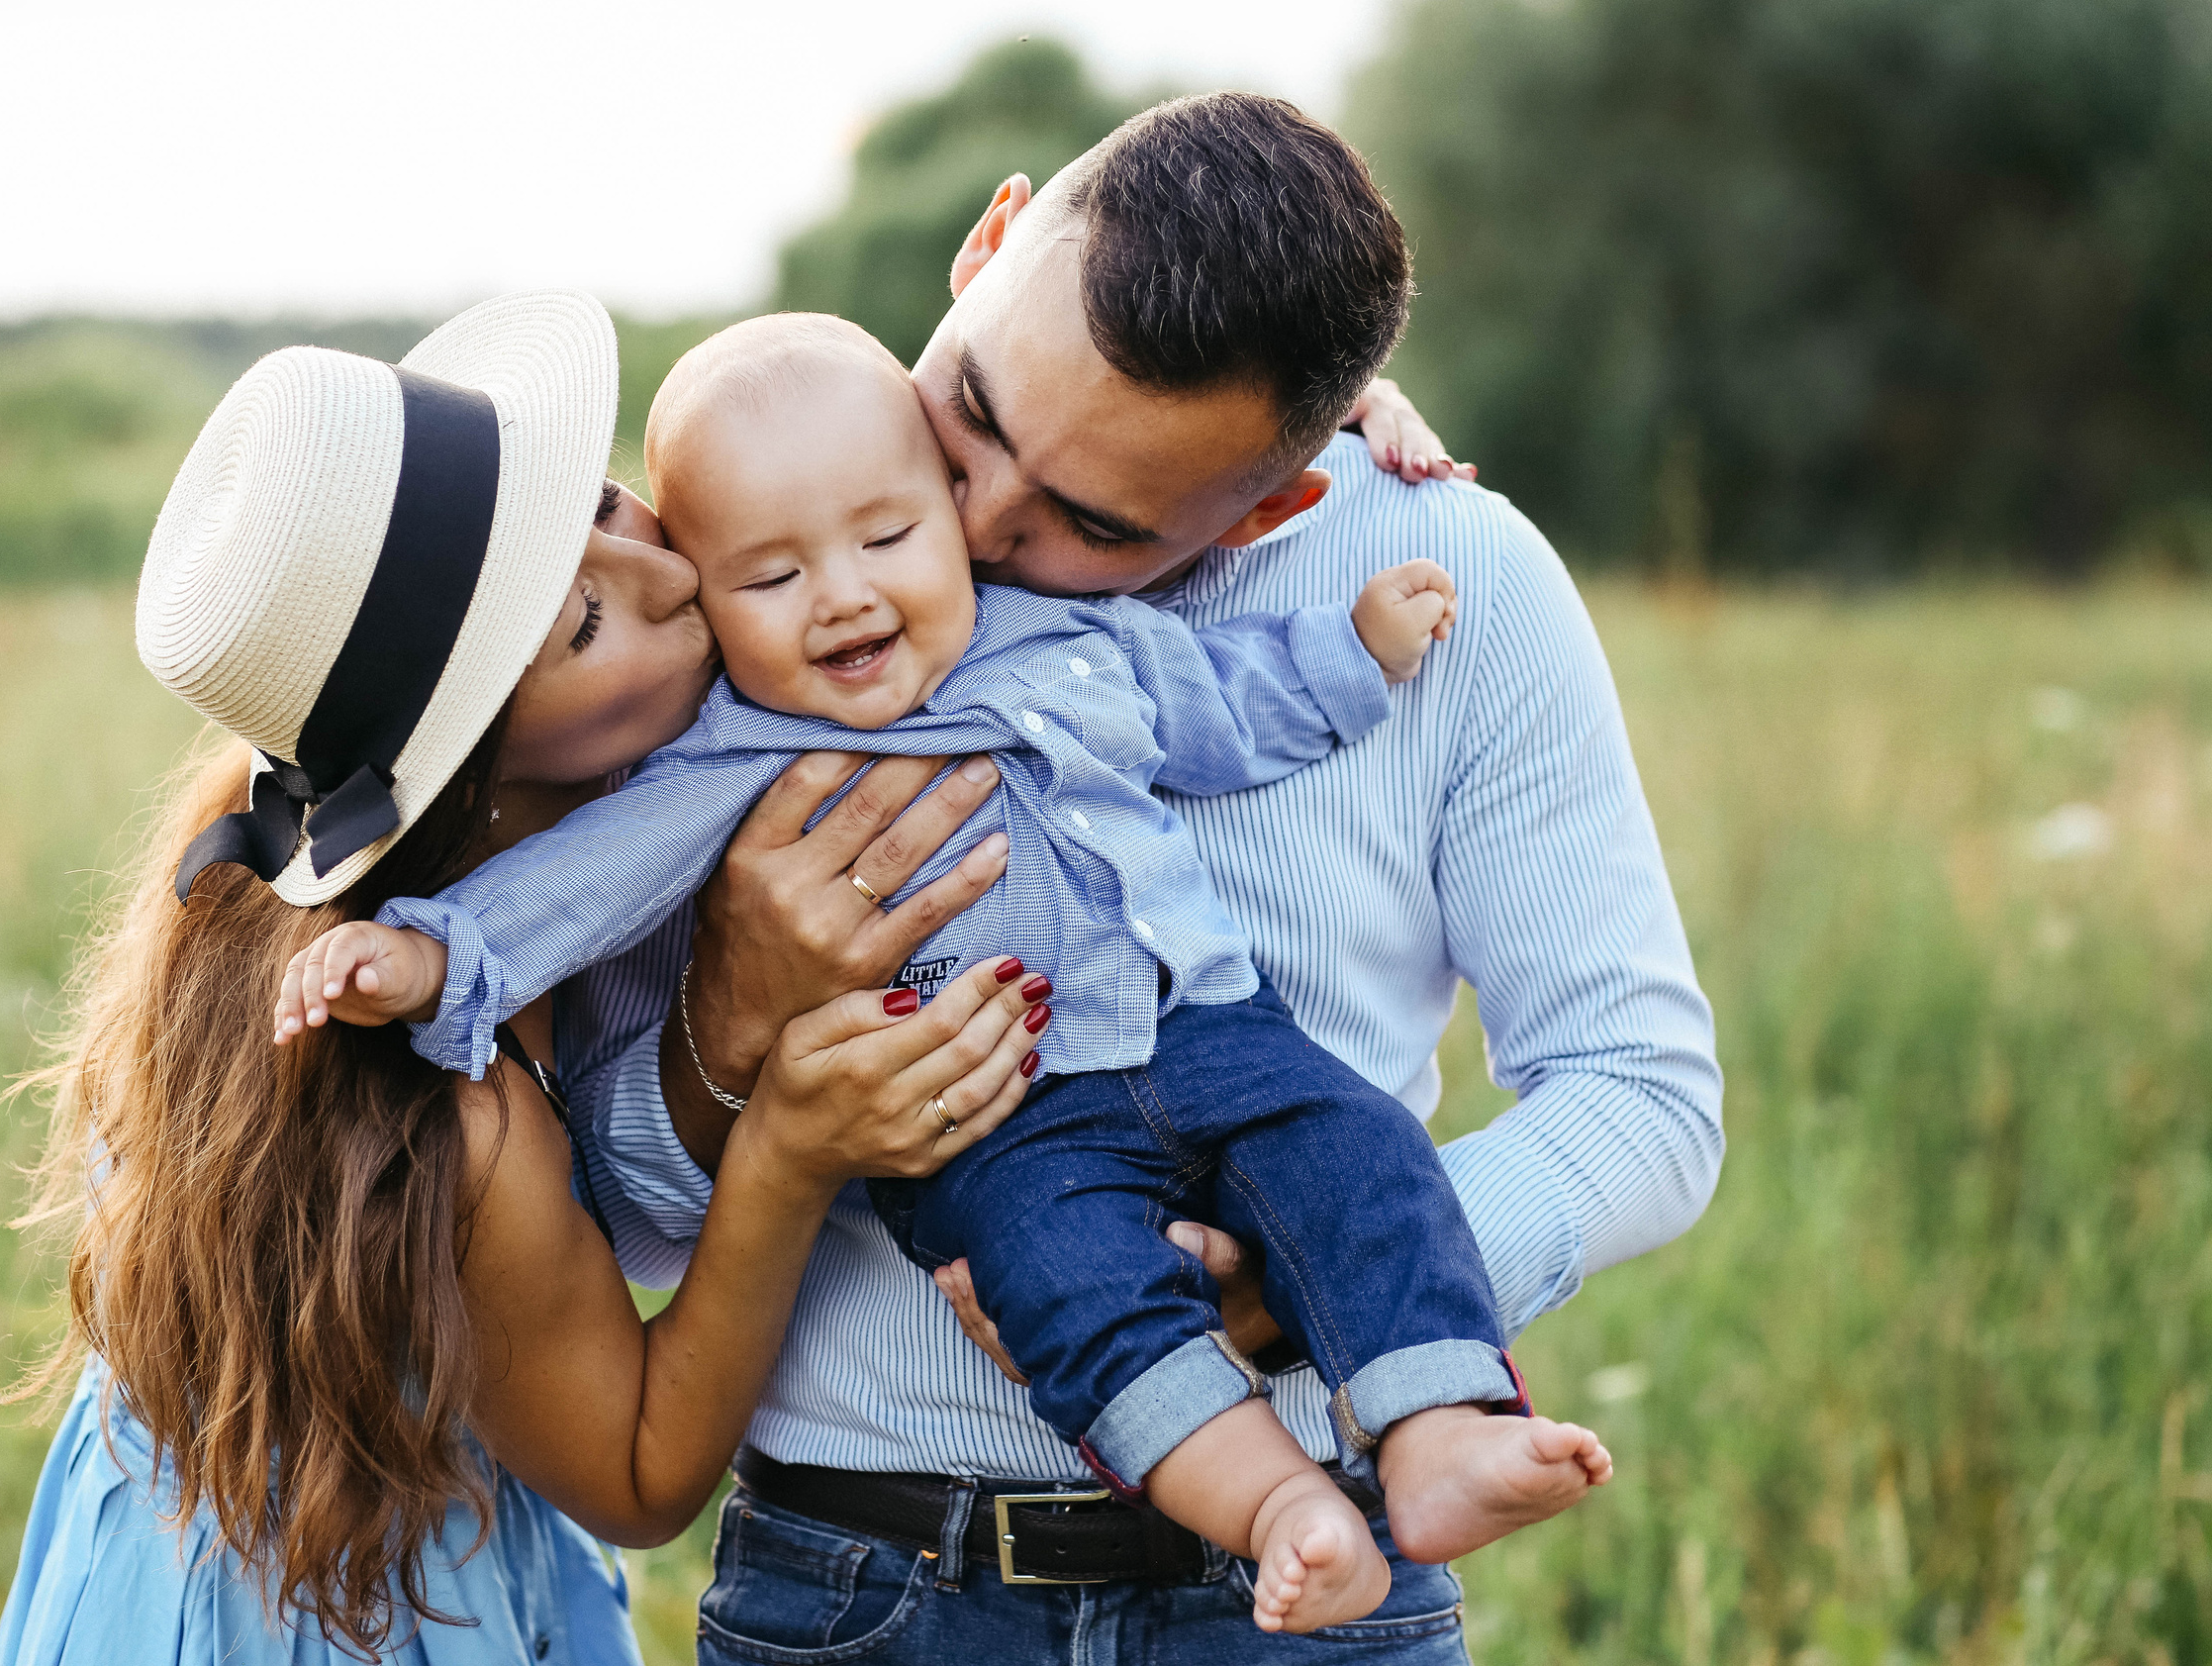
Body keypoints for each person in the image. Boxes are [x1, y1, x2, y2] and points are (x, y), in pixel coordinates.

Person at [483, 95, 1725, 1663]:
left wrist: (1297, 1274)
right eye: (978, 416)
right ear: (986, 245)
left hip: (1310, 1594)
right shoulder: (780, 566)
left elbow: (1642, 1096)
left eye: (1090, 519)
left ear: (1274, 502)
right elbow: (622, 1222)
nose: (978, 527)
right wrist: (726, 1026)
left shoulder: (1457, 580)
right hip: (863, 1588)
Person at [282, 311, 1615, 1632]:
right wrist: (431, 954)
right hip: (1000, 1118)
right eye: (766, 575)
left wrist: (1352, 621)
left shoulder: (1057, 630)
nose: (846, 594)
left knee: (1364, 1149)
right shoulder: (724, 754)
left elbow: (1219, 694)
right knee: (1063, 1285)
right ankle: (1275, 1509)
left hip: (1209, 1025)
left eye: (885, 540)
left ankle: (1439, 1430)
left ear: (954, 506)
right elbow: (583, 896)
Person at [0, 291, 1054, 1666]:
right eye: (590, 626)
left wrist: (1336, 428)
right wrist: (788, 1145)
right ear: (479, 775)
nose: (679, 575)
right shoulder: (445, 1102)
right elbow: (639, 1474)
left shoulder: (301, 905)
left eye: (606, 509)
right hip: (347, 1618)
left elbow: (850, 463)